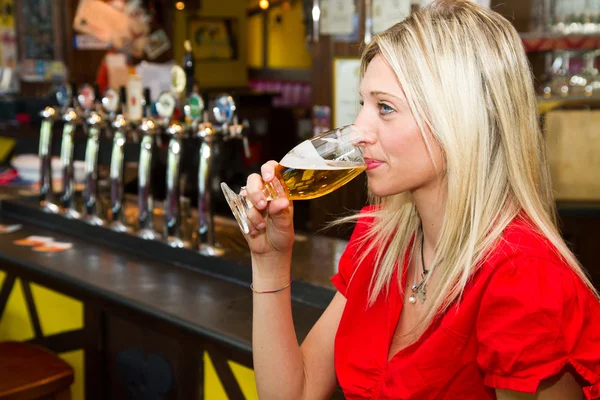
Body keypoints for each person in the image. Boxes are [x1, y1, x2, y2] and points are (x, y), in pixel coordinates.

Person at [241, 0, 600, 398]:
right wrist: (270, 262)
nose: (358, 130)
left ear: (459, 121)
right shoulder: (380, 238)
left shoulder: (521, 277)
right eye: (363, 104)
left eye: (385, 108)